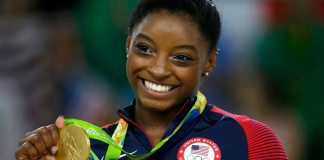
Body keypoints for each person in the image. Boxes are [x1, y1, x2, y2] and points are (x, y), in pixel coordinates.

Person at [15, 0, 288, 159]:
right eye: (145, 49)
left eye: (181, 57)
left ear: (209, 62)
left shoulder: (251, 140)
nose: (158, 70)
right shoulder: (89, 148)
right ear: (127, 46)